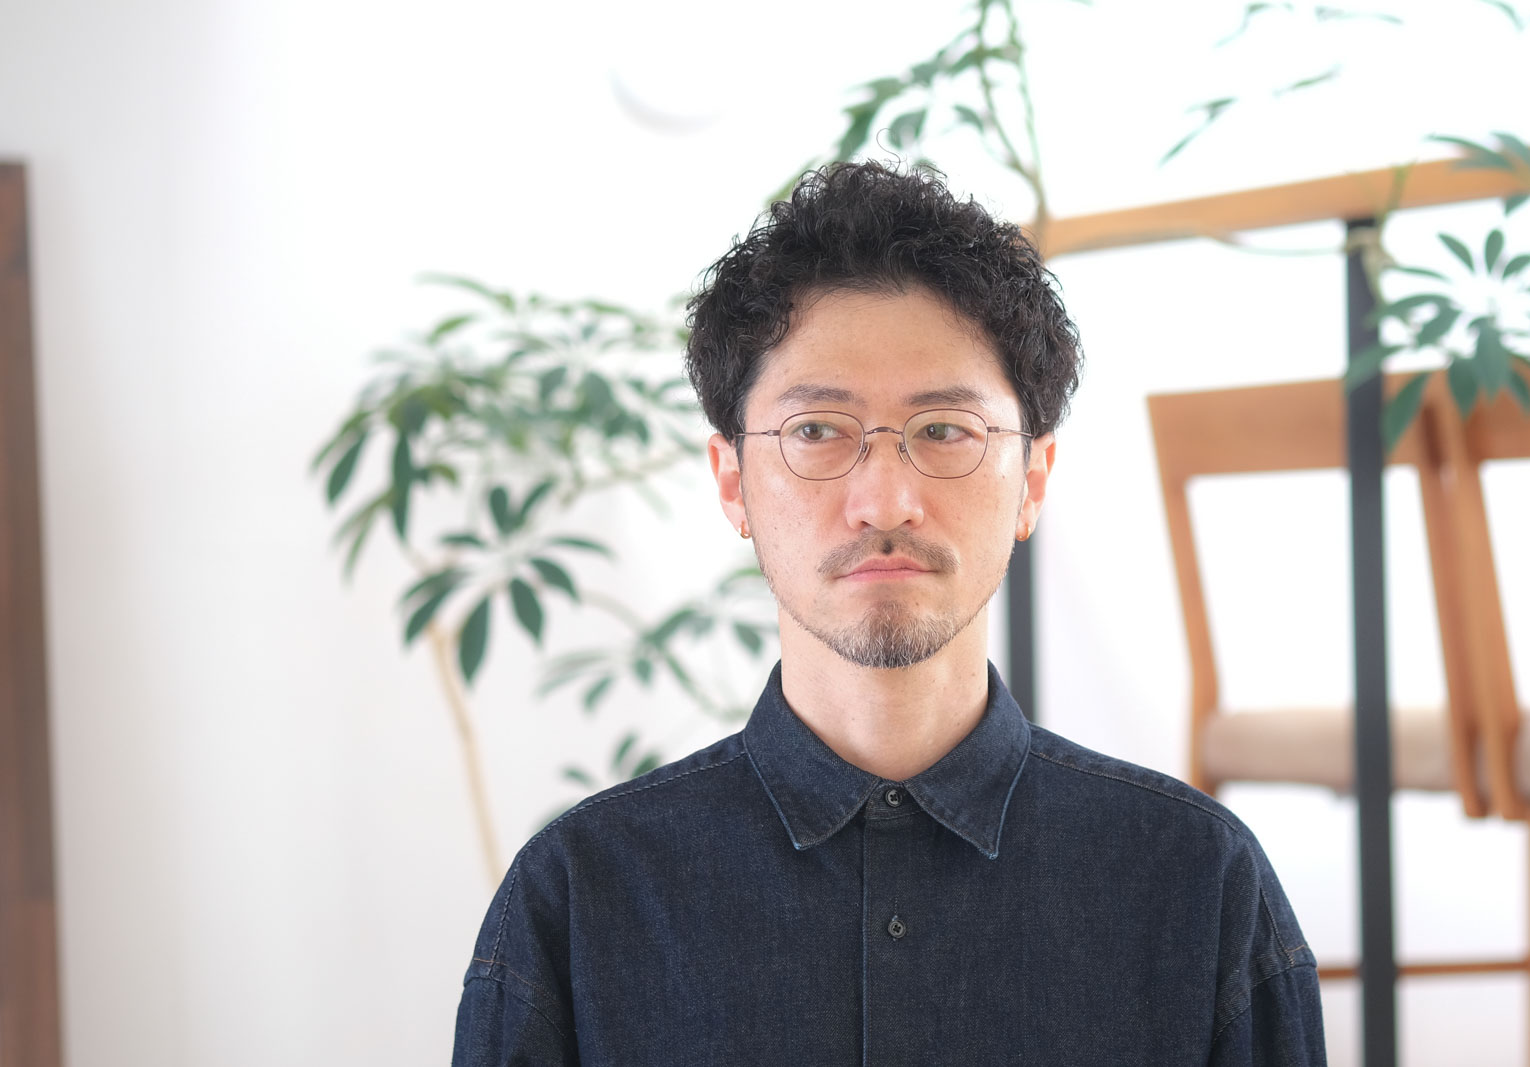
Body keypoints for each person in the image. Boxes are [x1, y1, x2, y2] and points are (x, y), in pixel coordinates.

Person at [452, 162, 1326, 1066]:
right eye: (816, 430)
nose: (884, 501)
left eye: (943, 430)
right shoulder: (580, 898)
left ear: (1032, 481)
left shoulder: (1198, 885)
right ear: (732, 481)